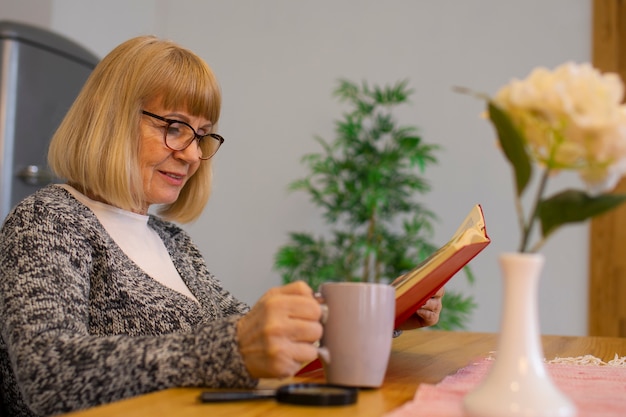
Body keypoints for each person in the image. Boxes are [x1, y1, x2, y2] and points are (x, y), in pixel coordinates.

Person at [0, 35, 444, 417]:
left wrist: (385, 312)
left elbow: (250, 332)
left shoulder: (173, 242)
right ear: (110, 117)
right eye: (175, 127)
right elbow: (48, 375)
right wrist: (230, 348)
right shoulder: (49, 220)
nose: (193, 154)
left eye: (202, 134)